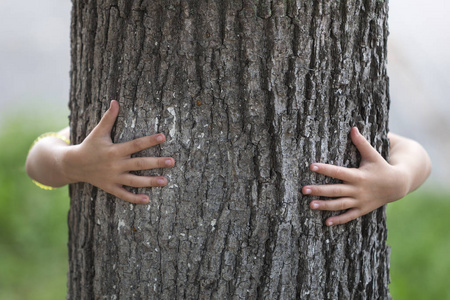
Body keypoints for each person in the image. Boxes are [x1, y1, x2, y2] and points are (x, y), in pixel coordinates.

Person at [26, 100, 431, 226]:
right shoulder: (108, 142)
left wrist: (396, 182)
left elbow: (413, 152)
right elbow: (37, 160)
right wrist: (74, 164)